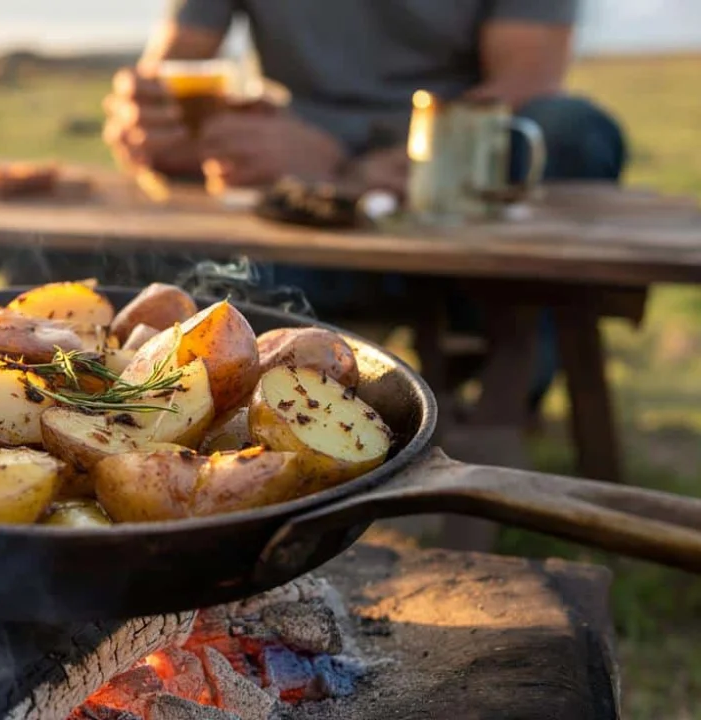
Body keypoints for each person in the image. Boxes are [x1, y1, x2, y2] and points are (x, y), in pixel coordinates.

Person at [102, 0, 627, 419]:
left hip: (450, 181)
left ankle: (500, 352)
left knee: (570, 130)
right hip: (307, 217)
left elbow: (526, 81)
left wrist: (341, 160)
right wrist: (152, 125)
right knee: (113, 256)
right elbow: (173, 72)